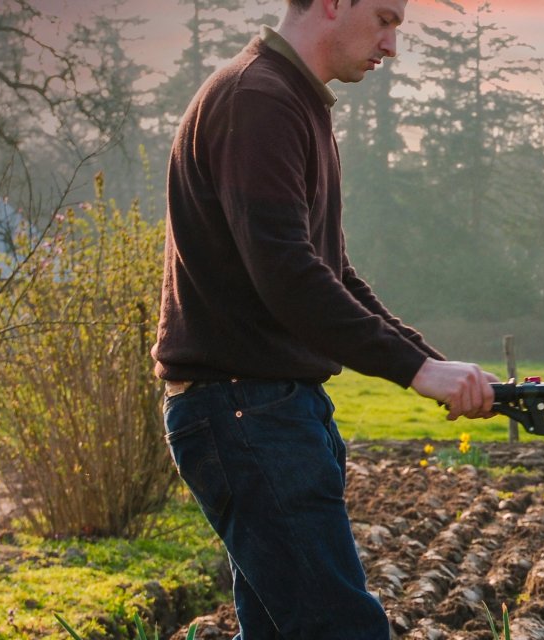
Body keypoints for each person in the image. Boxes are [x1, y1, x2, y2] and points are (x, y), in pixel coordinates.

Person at [151, 0, 498, 636]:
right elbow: (289, 277)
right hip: (246, 414)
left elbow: (330, 270)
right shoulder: (257, 100)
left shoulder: (292, 101)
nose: (392, 45)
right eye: (386, 19)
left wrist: (429, 360)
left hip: (266, 411)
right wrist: (417, 370)